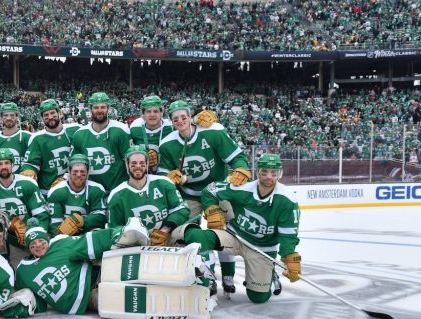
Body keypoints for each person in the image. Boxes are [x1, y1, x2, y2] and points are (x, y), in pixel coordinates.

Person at [172, 154, 301, 304]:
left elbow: (288, 235)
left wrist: (289, 256)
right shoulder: (244, 188)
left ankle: (270, 276)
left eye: (274, 173)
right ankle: (207, 279)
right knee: (198, 236)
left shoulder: (287, 200)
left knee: (258, 298)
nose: (268, 177)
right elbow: (210, 190)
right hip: (235, 236)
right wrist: (212, 209)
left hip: (262, 248)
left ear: (280, 174)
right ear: (257, 172)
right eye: (264, 172)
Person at [158, 101, 251, 295]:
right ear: (171, 122)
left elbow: (237, 157)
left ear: (190, 116)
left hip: (217, 191)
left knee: (224, 231)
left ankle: (228, 275)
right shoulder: (167, 144)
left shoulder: (213, 132)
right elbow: (163, 177)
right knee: (188, 233)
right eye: (176, 119)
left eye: (183, 117)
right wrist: (170, 178)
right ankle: (207, 273)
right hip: (189, 194)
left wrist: (241, 168)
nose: (180, 121)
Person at [14, 218, 148, 315]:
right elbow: (39, 305)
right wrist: (23, 304)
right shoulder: (23, 271)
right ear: (28, 248)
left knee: (99, 248)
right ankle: (146, 299)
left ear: (47, 239)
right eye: (33, 244)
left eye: (41, 241)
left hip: (98, 274)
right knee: (123, 298)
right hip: (88, 297)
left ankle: (123, 238)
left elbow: (90, 242)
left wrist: (117, 234)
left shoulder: (59, 244)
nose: (38, 245)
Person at [0, 147, 49, 267]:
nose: (3, 166)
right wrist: (9, 224)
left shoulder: (28, 184)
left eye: (6, 163)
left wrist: (36, 234)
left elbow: (41, 213)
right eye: (0, 164)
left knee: (24, 267)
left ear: (13, 165)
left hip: (23, 236)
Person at [106, 145, 189, 245]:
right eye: (133, 163)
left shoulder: (164, 183)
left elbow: (181, 210)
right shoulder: (116, 195)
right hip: (136, 244)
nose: (138, 166)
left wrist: (164, 231)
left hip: (167, 236)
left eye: (142, 163)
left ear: (147, 164)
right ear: (127, 165)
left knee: (192, 233)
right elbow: (115, 229)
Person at [69, 91, 132, 191]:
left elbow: (129, 161)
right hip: (91, 192)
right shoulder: (79, 134)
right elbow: (74, 164)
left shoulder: (121, 130)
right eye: (96, 107)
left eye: (103, 107)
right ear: (90, 109)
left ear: (108, 108)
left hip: (118, 189)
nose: (99, 110)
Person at [46, 153, 107, 236]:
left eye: (82, 172)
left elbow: (101, 217)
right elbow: (54, 222)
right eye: (75, 172)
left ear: (88, 172)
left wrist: (81, 221)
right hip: (65, 237)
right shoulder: (56, 191)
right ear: (69, 171)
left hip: (88, 234)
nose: (78, 175)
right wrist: (59, 236)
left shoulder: (96, 189)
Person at [21, 99, 72, 194]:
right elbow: (31, 163)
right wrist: (29, 171)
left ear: (60, 113)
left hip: (74, 187)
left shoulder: (74, 130)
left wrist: (66, 177)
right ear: (42, 118)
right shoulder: (37, 138)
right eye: (46, 115)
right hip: (48, 191)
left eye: (52, 113)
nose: (50, 117)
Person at [128, 95, 170, 173]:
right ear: (143, 114)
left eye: (156, 111)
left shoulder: (170, 128)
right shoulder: (135, 128)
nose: (152, 114)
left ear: (161, 113)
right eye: (148, 111)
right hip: (142, 174)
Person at [0, 102, 30, 172]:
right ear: (1, 118)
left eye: (12, 115)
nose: (9, 118)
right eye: (5, 115)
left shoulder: (28, 137)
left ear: (17, 117)